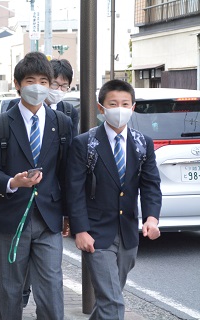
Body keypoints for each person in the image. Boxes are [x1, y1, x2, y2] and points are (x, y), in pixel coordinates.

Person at [0, 51, 72, 320]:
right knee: (10, 291)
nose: (38, 87)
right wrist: (12, 182)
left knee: (52, 290)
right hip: (11, 221)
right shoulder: (0, 125)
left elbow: (67, 174)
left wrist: (69, 215)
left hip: (48, 219)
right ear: (17, 84)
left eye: (44, 81)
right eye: (30, 80)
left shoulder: (62, 124)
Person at [66, 79, 162, 319]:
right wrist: (80, 230)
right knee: (113, 303)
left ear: (133, 107)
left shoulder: (143, 144)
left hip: (128, 232)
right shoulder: (84, 144)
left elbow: (150, 184)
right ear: (102, 108)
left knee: (110, 298)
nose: (120, 108)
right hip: (96, 234)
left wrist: (151, 217)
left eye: (125, 103)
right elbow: (74, 190)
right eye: (113, 103)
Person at [21, 58, 79, 307]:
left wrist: (67, 212)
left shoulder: (67, 114)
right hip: (21, 203)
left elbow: (68, 165)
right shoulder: (18, 113)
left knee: (50, 274)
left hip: (51, 203)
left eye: (63, 86)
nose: (56, 90)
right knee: (19, 270)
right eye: (53, 83)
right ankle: (22, 296)